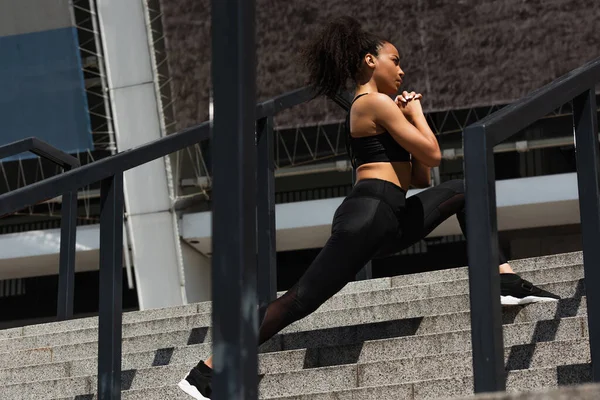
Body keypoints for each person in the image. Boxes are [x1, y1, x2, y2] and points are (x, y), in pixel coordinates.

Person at [177, 16, 560, 400]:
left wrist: (410, 119)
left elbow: (422, 178)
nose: (402, 69)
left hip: (392, 218)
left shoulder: (383, 108)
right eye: (395, 60)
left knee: (463, 190)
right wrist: (416, 115)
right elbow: (432, 150)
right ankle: (206, 373)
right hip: (368, 215)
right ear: (370, 61)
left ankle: (504, 280)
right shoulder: (371, 103)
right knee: (298, 300)